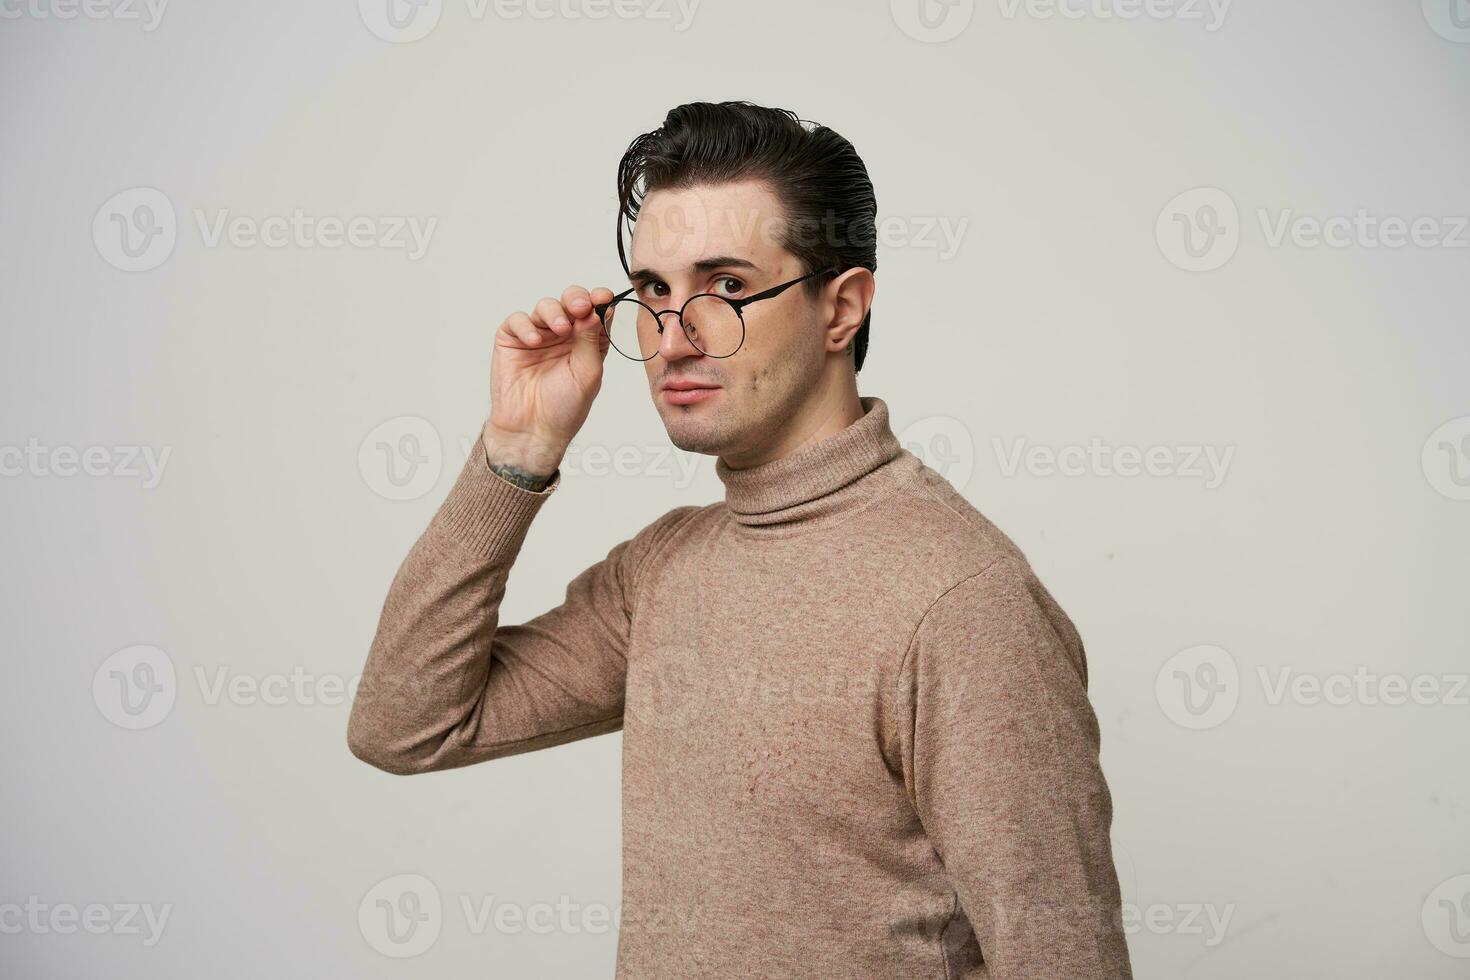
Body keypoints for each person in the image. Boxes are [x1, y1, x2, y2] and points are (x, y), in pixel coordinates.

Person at [348, 100, 1133, 979]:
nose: (676, 336)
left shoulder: (964, 603)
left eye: (724, 287)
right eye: (652, 291)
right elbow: (405, 726)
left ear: (843, 309)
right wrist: (516, 453)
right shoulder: (665, 566)